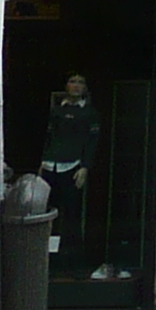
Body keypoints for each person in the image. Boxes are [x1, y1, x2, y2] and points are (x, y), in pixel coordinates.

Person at [40, 73, 100, 269]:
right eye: (72, 81)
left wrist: (85, 166)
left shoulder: (89, 113)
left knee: (72, 215)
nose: (76, 86)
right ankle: (47, 261)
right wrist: (42, 162)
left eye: (80, 82)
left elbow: (92, 142)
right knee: (49, 214)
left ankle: (73, 261)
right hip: (51, 165)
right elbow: (49, 137)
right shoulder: (57, 111)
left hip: (72, 166)